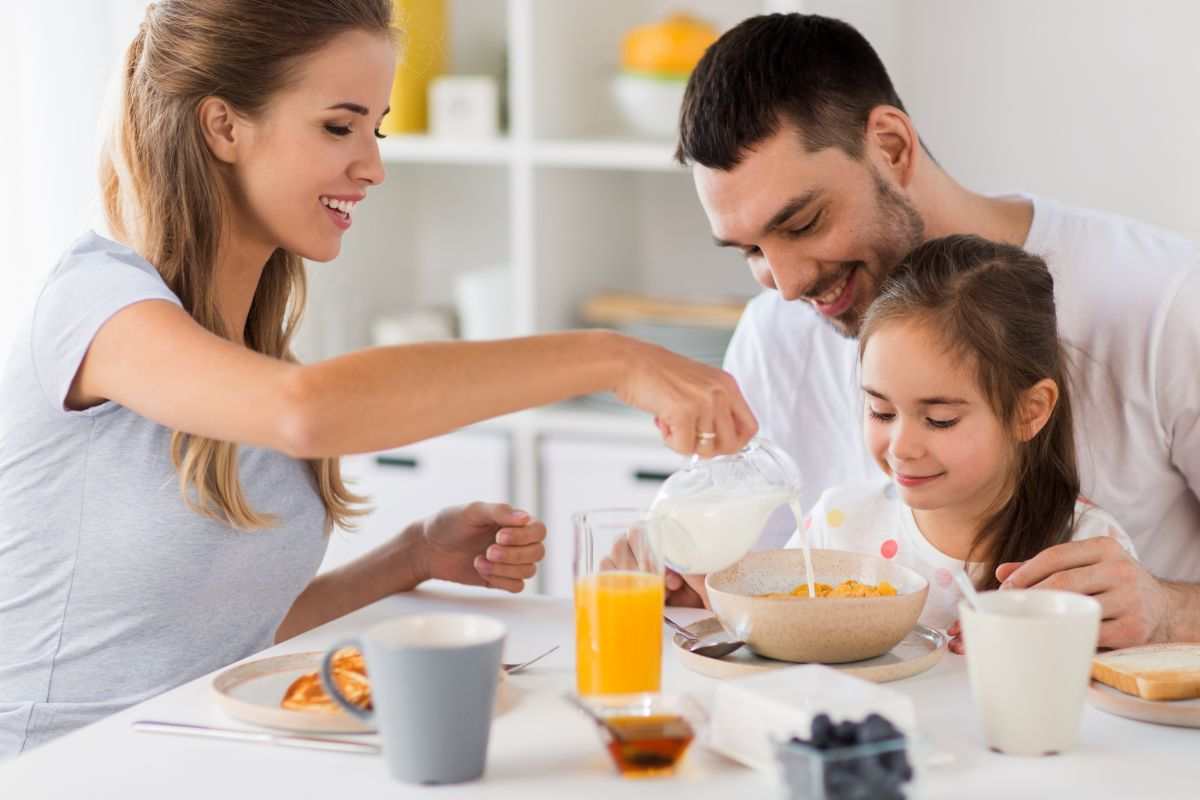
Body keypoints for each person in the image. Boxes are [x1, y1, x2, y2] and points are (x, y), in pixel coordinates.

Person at [0, 0, 756, 757]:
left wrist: (411, 557)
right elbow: (309, 412)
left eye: (378, 129)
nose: (373, 165)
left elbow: (224, 637)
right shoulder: (95, 303)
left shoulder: (253, 363)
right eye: (339, 126)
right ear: (223, 127)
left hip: (194, 755)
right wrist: (611, 357)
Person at [666, 12, 1200, 649]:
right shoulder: (775, 333)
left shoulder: (1166, 300)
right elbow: (765, 600)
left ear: (890, 147)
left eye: (804, 223)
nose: (784, 283)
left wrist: (1166, 610)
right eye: (748, 251)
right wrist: (686, 578)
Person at [785, 235, 1135, 652]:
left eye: (939, 420)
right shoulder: (837, 527)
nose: (902, 447)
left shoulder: (1086, 555)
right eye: (881, 411)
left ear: (1030, 411)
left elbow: (1112, 696)